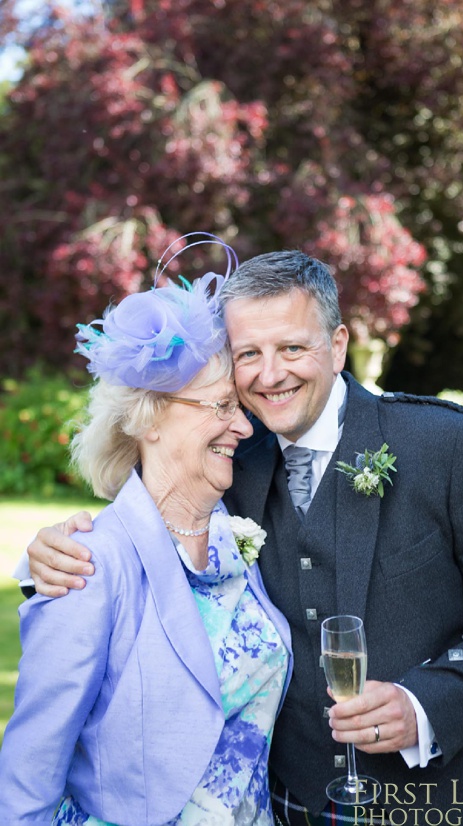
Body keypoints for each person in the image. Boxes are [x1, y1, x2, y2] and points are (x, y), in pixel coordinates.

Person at [22, 250, 463, 825]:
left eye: (293, 348)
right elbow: (153, 514)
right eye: (249, 353)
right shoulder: (230, 458)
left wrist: (423, 706)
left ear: (338, 345)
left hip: (440, 798)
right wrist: (56, 552)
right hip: (288, 800)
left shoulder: (443, 444)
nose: (270, 375)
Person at [0, 236, 292, 825]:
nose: (242, 424)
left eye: (238, 405)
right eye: (219, 406)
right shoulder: (87, 565)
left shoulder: (237, 542)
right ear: (150, 419)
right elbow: (27, 774)